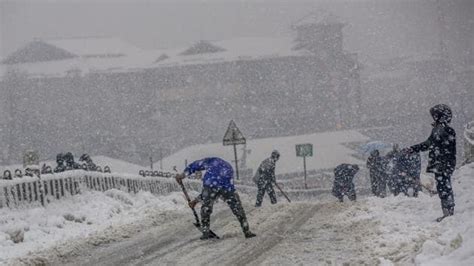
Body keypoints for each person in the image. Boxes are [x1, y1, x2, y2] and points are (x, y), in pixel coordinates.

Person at [175, 157, 256, 240]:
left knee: (206, 208)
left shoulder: (211, 161)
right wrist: (195, 201)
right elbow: (219, 190)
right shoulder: (228, 168)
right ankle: (247, 231)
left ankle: (206, 233)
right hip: (227, 188)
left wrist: (182, 175)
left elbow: (196, 166)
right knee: (237, 208)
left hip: (211, 184)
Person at [405, 104, 456, 221]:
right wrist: (413, 148)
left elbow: (432, 144)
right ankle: (447, 212)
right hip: (440, 164)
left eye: (435, 115)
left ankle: (449, 213)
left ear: (440, 116)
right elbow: (428, 143)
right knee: (442, 187)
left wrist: (415, 148)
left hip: (443, 165)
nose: (433, 117)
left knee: (445, 188)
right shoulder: (437, 130)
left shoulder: (446, 130)